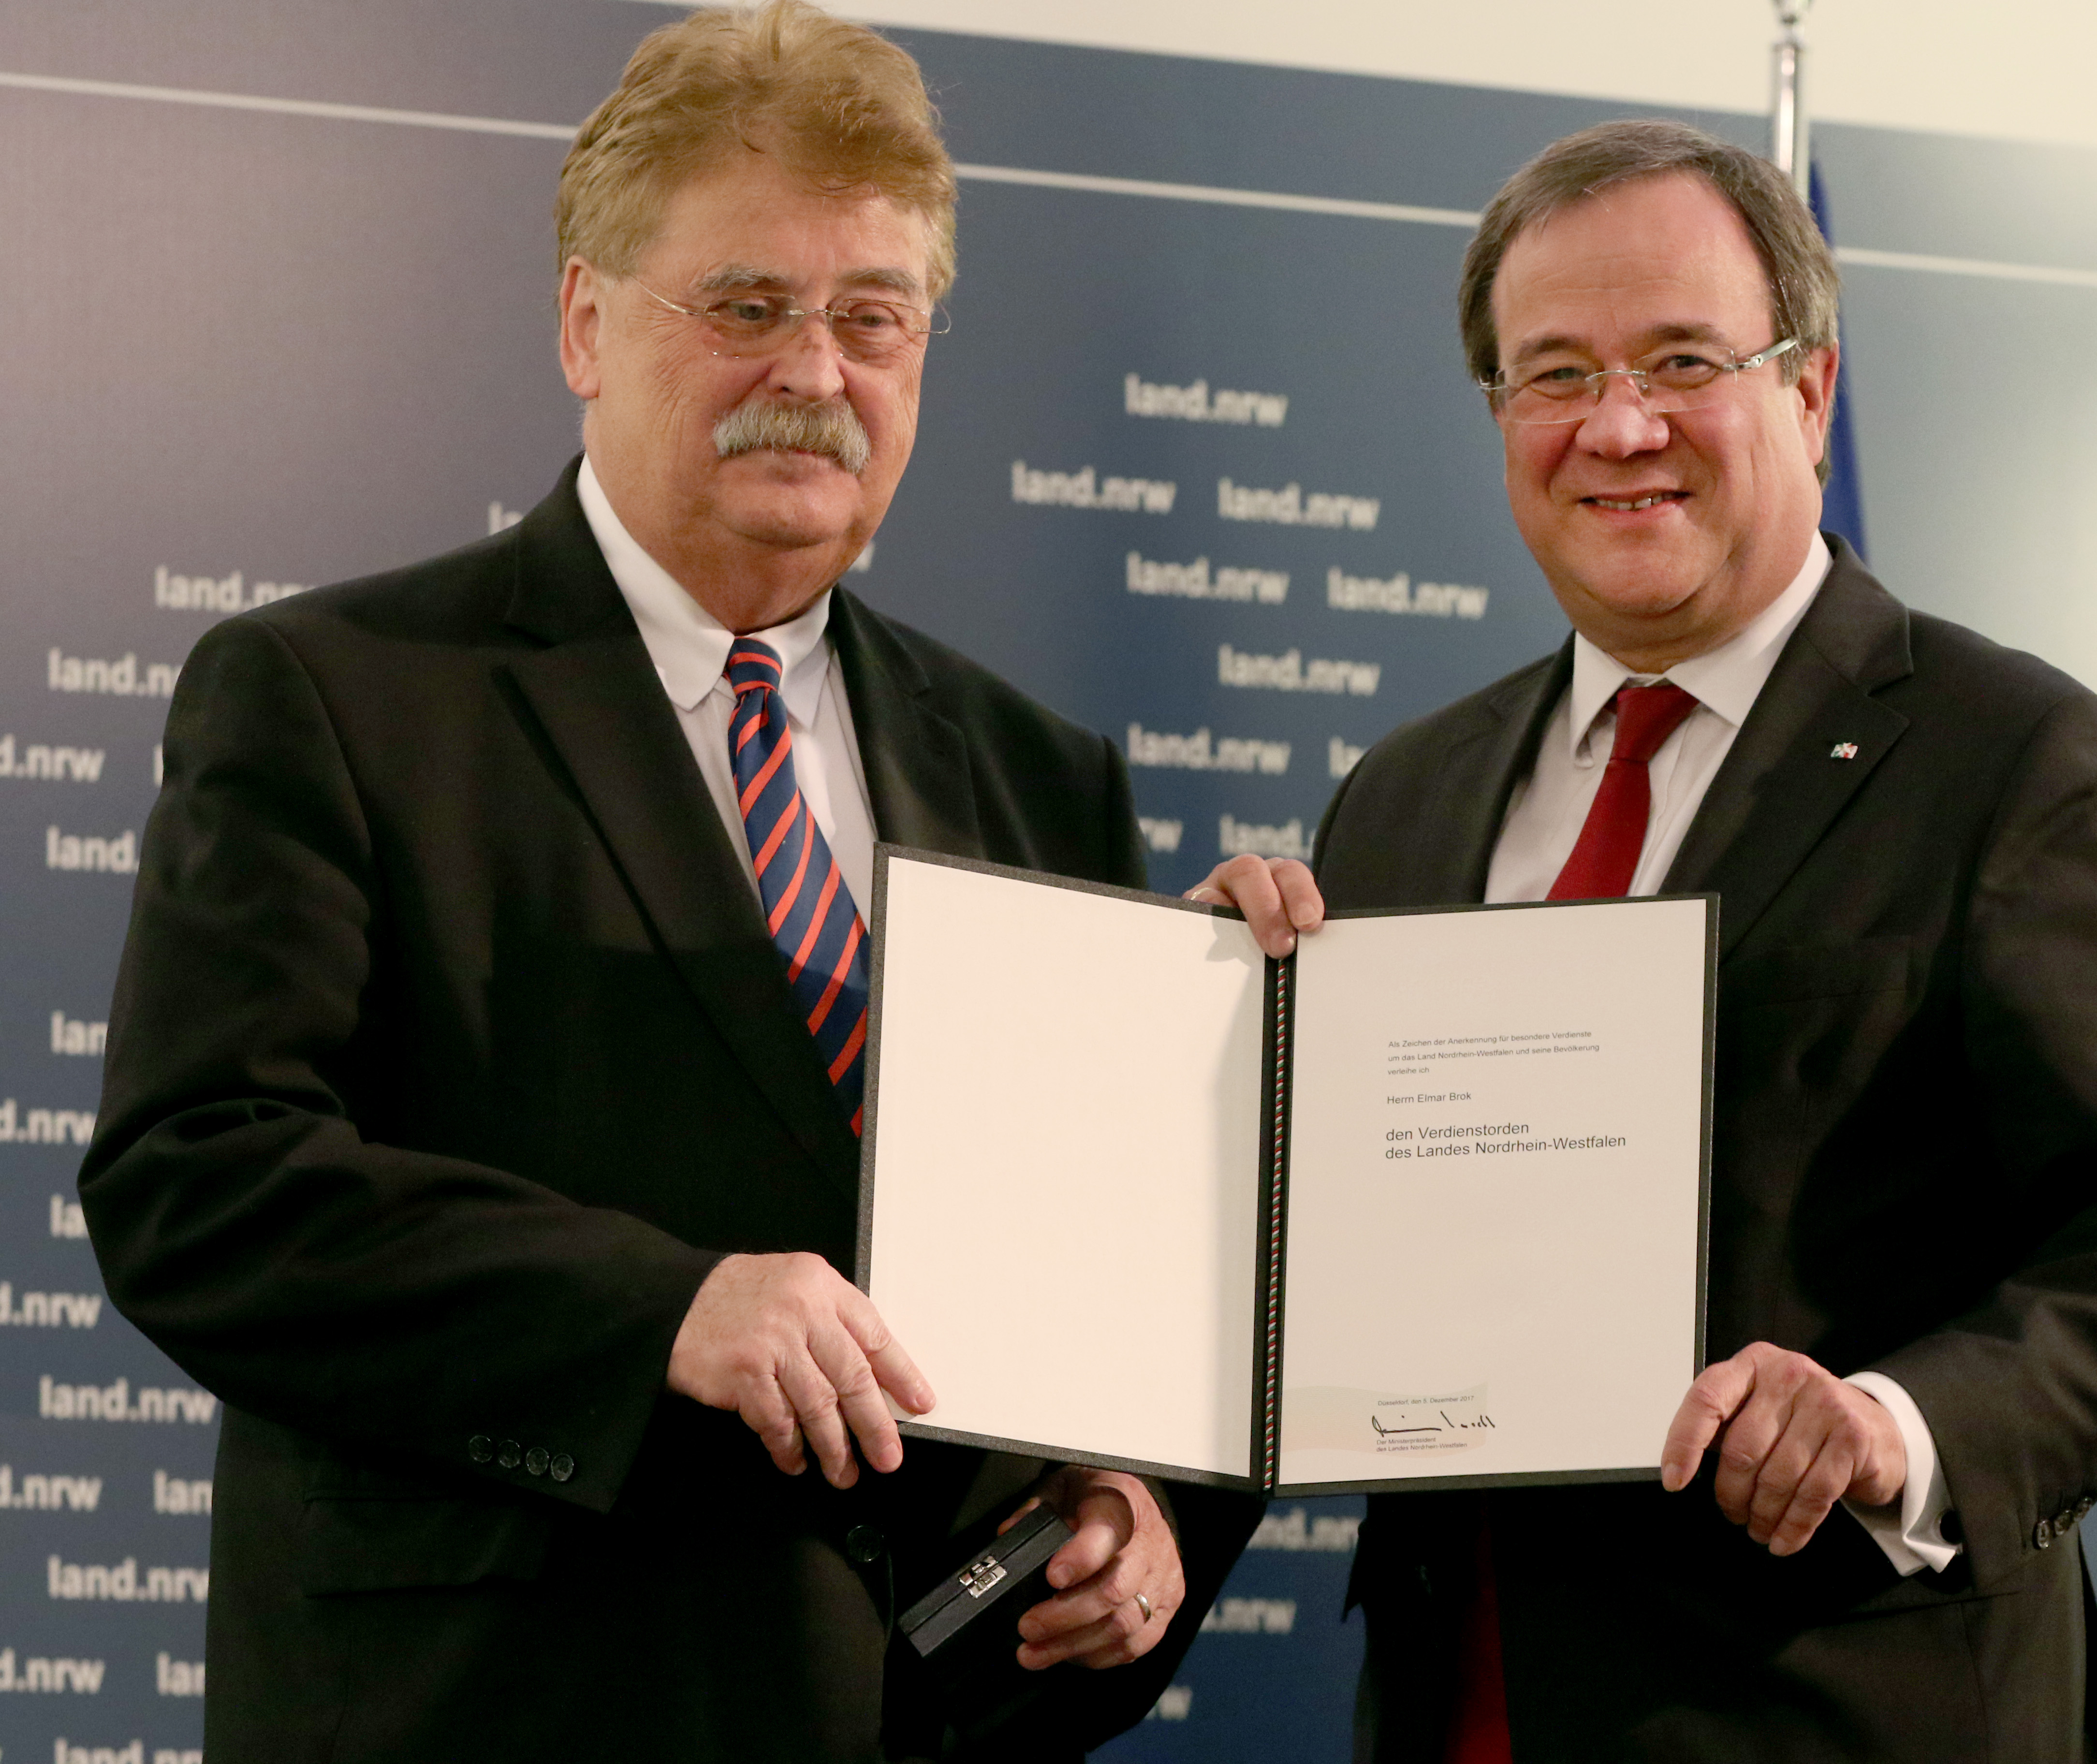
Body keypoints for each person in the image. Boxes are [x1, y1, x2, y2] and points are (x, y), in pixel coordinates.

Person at [81, 6, 1250, 1759]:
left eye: (874, 318)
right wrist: (661, 1313)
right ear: (585, 322)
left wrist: (1129, 1503)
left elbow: (1102, 1291)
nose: (818, 372)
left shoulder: (1040, 776)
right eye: (748, 306)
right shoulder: (339, 698)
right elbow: (200, 1186)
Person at [1197, 120, 2097, 1762]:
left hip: (1854, 1717)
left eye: (1682, 361)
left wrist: (1895, 1424)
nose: (1618, 425)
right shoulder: (1404, 799)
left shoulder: (2013, 760)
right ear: (1500, 417)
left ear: (1810, 389)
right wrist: (1211, 1039)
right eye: (1555, 374)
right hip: (1463, 1708)